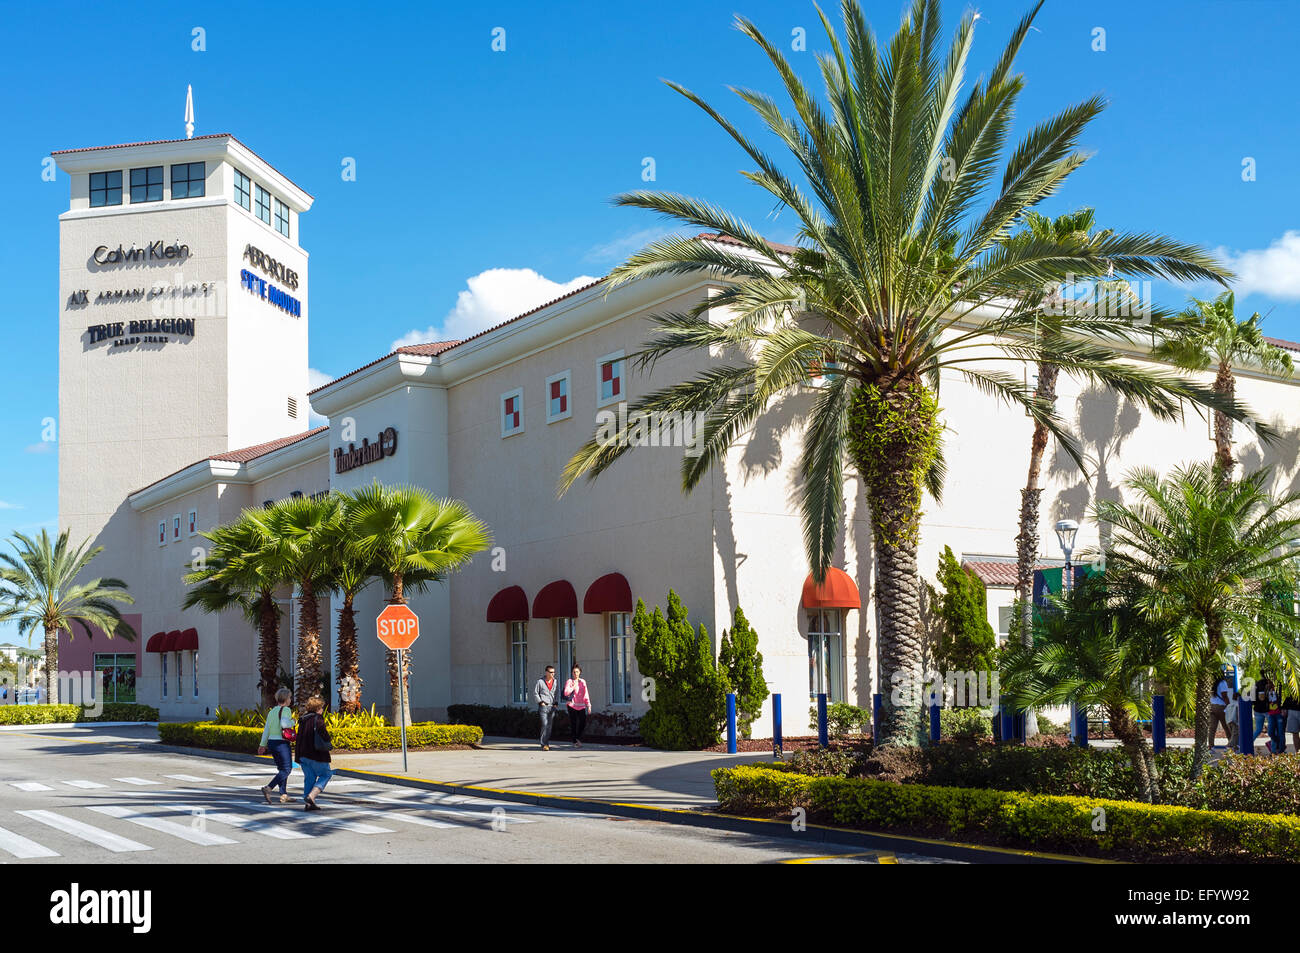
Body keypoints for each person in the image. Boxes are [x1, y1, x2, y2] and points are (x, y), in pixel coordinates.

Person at [257, 688, 296, 804]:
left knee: (282, 769)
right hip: (282, 743)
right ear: (285, 699)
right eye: (289, 697)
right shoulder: (286, 710)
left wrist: (262, 745)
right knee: (287, 769)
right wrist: (293, 721)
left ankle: (283, 794)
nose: (290, 700)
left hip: (272, 743)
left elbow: (266, 729)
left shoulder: (272, 711)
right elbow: (284, 724)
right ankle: (269, 788)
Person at [295, 695, 333, 811]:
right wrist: (329, 741)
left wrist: (298, 756)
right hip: (316, 754)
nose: (322, 709)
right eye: (321, 707)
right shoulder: (318, 719)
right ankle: (312, 796)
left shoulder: (303, 719)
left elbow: (299, 738)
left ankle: (308, 804)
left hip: (303, 755)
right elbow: (325, 735)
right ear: (318, 708)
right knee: (326, 774)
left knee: (309, 778)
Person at [563, 664, 592, 748]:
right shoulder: (569, 681)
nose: (575, 673)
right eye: (574, 672)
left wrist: (588, 705)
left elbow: (586, 694)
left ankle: (578, 738)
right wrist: (573, 687)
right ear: (572, 673)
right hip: (571, 705)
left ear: (580, 672)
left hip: (581, 705)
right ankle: (575, 741)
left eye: (577, 672)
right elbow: (566, 692)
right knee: (574, 724)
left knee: (583, 723)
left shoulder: (583, 682)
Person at [533, 665, 559, 751]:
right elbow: (536, 693)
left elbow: (557, 693)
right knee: (544, 724)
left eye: (554, 672)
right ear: (546, 672)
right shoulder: (540, 681)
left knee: (549, 726)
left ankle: (546, 743)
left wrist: (556, 703)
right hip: (543, 706)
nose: (553, 674)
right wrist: (541, 702)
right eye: (551, 672)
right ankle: (544, 744)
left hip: (552, 706)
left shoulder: (555, 681)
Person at [1209, 670, 1231, 749]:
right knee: (1226, 726)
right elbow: (1224, 695)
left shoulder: (1213, 683)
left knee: (1212, 728)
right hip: (1221, 707)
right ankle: (1231, 744)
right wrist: (1229, 705)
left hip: (1212, 706)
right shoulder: (1222, 683)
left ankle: (1211, 746)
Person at [1251, 676, 1272, 752]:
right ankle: (1273, 745)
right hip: (1267, 710)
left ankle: (1249, 744)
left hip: (1257, 710)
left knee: (1258, 730)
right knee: (1272, 729)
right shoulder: (1269, 686)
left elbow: (1252, 700)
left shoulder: (1255, 687)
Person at [1267, 681, 1285, 755]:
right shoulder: (1266, 695)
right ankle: (1278, 743)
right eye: (1269, 687)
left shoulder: (1277, 693)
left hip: (1278, 714)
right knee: (1270, 732)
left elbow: (1279, 700)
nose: (1271, 688)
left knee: (1281, 732)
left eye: (1271, 686)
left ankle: (1281, 751)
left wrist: (1277, 690)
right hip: (1271, 715)